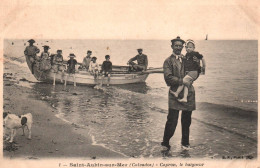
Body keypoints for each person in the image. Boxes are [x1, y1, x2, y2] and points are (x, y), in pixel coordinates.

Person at [161, 36, 196, 151]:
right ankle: (165, 143)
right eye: (176, 45)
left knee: (187, 121)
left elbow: (194, 72)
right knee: (172, 121)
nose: (178, 48)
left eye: (180, 46)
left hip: (188, 93)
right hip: (174, 93)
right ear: (172, 46)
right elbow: (168, 79)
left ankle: (185, 144)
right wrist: (182, 81)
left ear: (183, 47)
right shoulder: (168, 61)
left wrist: (193, 77)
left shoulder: (188, 59)